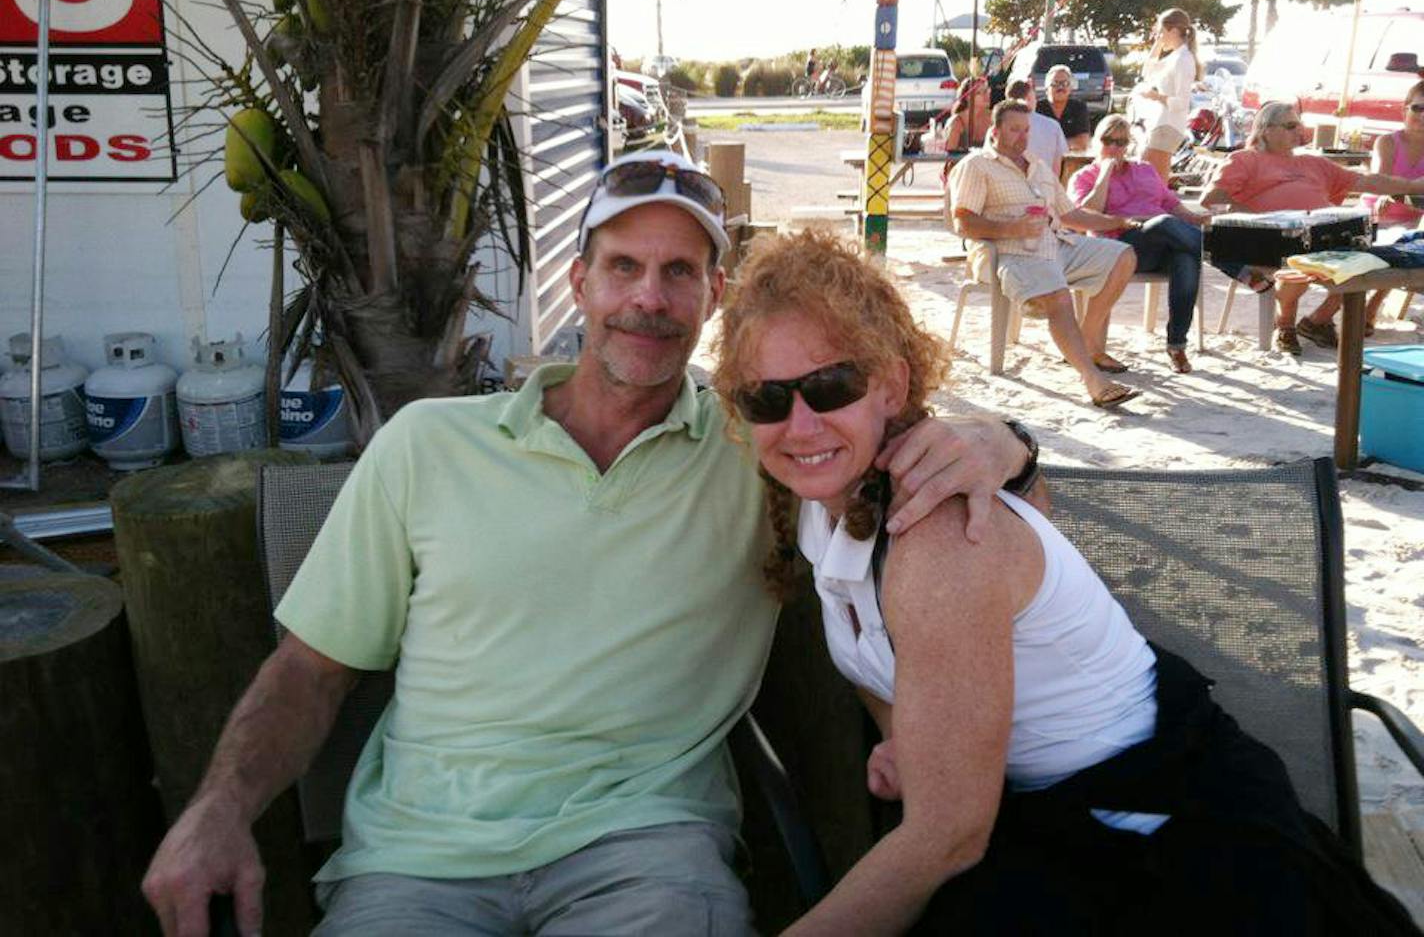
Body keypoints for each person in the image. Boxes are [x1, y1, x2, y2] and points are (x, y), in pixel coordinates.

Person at [139, 150, 1031, 937]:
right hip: (419, 860)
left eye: (681, 272)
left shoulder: (761, 452)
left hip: (646, 851)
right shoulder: (428, 444)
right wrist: (218, 808)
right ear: (579, 283)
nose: (650, 297)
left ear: (714, 298)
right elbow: (310, 668)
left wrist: (1007, 442)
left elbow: (881, 432)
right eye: (624, 267)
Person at [709, 226, 1421, 936]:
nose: (799, 425)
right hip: (1033, 816)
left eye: (830, 385)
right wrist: (907, 735)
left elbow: (946, 838)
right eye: (766, 400)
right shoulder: (822, 505)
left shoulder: (936, 535)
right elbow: (871, 640)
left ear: (892, 384)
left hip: (1166, 833)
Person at [948, 99, 1141, 408]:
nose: (1022, 137)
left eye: (1026, 130)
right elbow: (963, 222)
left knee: (1123, 255)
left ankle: (1087, 341)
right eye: (1014, 130)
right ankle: (1093, 380)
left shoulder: (1037, 165)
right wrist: (1012, 229)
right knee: (1059, 295)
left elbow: (1071, 214)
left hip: (1059, 245)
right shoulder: (977, 165)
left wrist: (1116, 222)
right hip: (1012, 253)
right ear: (994, 131)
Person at [1200, 101, 1424, 354]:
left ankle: (1317, 320)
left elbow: (1367, 181)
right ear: (1266, 129)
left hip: (1318, 237)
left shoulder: (1313, 163)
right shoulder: (1245, 159)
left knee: (1366, 259)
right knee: (1300, 260)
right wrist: (1259, 218)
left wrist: (1414, 186)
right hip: (1269, 240)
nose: (1300, 131)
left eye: (1300, 125)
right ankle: (1284, 324)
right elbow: (1212, 197)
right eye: (1291, 125)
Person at [1069, 113, 1267, 373]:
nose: (1115, 148)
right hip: (1119, 245)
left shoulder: (1144, 169)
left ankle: (1176, 345)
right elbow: (1086, 216)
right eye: (1109, 141)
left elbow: (1171, 205)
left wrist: (1195, 218)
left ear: (1129, 144)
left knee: (1185, 258)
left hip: (1161, 240)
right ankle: (1236, 267)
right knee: (1164, 223)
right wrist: (1104, 173)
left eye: (1121, 141)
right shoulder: (1084, 176)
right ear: (1097, 141)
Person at [1310, 78, 1424, 332]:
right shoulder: (1388, 142)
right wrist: (1394, 191)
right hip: (1373, 215)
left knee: (1403, 245)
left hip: (1411, 220)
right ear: (1405, 109)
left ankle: (1367, 308)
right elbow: (1379, 180)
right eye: (1418, 108)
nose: (1423, 116)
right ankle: (1329, 315)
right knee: (1385, 249)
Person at [1131, 8, 1202, 182]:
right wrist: (1158, 44)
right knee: (1149, 176)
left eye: (1162, 32)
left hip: (1169, 125)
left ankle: (1158, 208)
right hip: (1161, 123)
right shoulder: (1174, 57)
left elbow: (1181, 102)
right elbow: (1148, 71)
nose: (1159, 37)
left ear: (1174, 31)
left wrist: (1155, 96)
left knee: (1152, 178)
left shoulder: (1183, 59)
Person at [1007, 78, 1066, 179]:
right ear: (1028, 98)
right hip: (1045, 186)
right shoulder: (1052, 126)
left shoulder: (1000, 126)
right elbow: (1059, 161)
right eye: (1034, 98)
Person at [1037, 64, 1091, 152]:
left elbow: (1083, 143)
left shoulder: (1079, 107)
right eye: (1055, 83)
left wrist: (1051, 145)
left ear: (1070, 88)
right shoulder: (1038, 108)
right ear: (1046, 88)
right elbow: (1035, 142)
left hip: (1071, 160)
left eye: (1065, 83)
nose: (1060, 87)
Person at [938, 77, 990, 151]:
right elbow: (950, 154)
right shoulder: (957, 121)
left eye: (987, 91)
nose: (986, 95)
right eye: (980, 93)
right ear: (968, 97)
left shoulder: (992, 118)